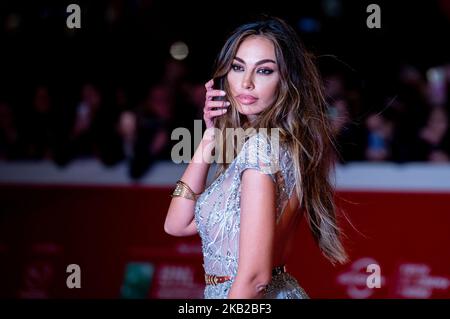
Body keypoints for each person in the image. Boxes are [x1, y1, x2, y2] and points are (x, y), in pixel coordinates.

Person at [164, 16, 348, 299]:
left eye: (264, 71)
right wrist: (210, 137)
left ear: (286, 81)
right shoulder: (271, 143)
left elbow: (254, 279)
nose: (246, 82)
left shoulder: (261, 149)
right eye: (238, 67)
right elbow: (176, 224)